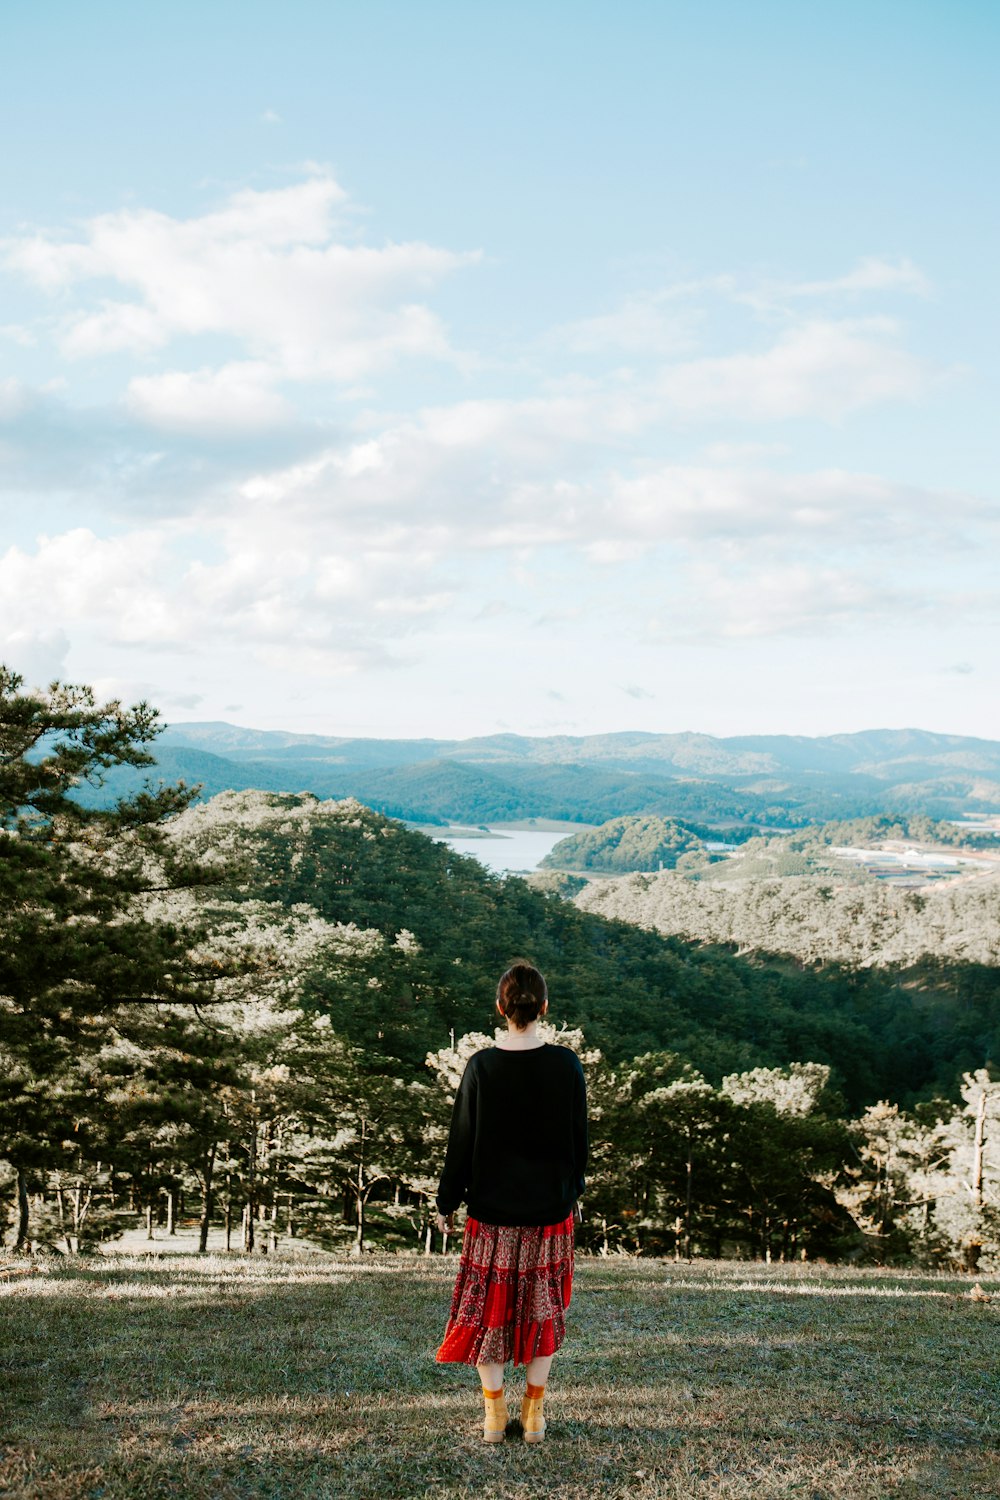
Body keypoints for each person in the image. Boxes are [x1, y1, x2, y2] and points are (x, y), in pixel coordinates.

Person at [434, 960, 588, 1444]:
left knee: (489, 1314)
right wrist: (572, 1192)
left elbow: (461, 1140)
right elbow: (577, 1142)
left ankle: (495, 1418)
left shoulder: (481, 1066)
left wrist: (446, 1201)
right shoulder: (566, 1064)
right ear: (544, 1007)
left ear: (501, 1008)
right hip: (549, 1213)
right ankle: (535, 1416)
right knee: (543, 1311)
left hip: (491, 1215)